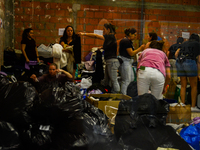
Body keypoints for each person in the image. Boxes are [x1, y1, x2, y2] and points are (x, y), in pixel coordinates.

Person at [79, 23, 120, 93]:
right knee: (106, 80)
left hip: (112, 61)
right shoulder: (111, 38)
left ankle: (117, 95)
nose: (103, 31)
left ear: (108, 30)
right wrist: (102, 47)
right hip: (109, 61)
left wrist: (84, 34)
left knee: (113, 80)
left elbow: (96, 36)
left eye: (104, 30)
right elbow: (110, 46)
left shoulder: (109, 36)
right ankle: (107, 92)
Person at [175, 33, 200, 110]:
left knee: (183, 85)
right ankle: (193, 107)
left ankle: (183, 104)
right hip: (189, 62)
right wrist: (198, 73)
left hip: (179, 62)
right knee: (194, 86)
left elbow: (176, 54)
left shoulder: (184, 43)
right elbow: (199, 59)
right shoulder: (198, 44)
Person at [119, 28, 145, 95]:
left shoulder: (129, 41)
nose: (135, 36)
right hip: (125, 61)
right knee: (126, 80)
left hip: (128, 62)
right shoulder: (126, 41)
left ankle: (127, 94)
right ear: (130, 34)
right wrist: (140, 49)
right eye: (135, 35)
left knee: (131, 79)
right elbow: (131, 53)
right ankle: (124, 95)